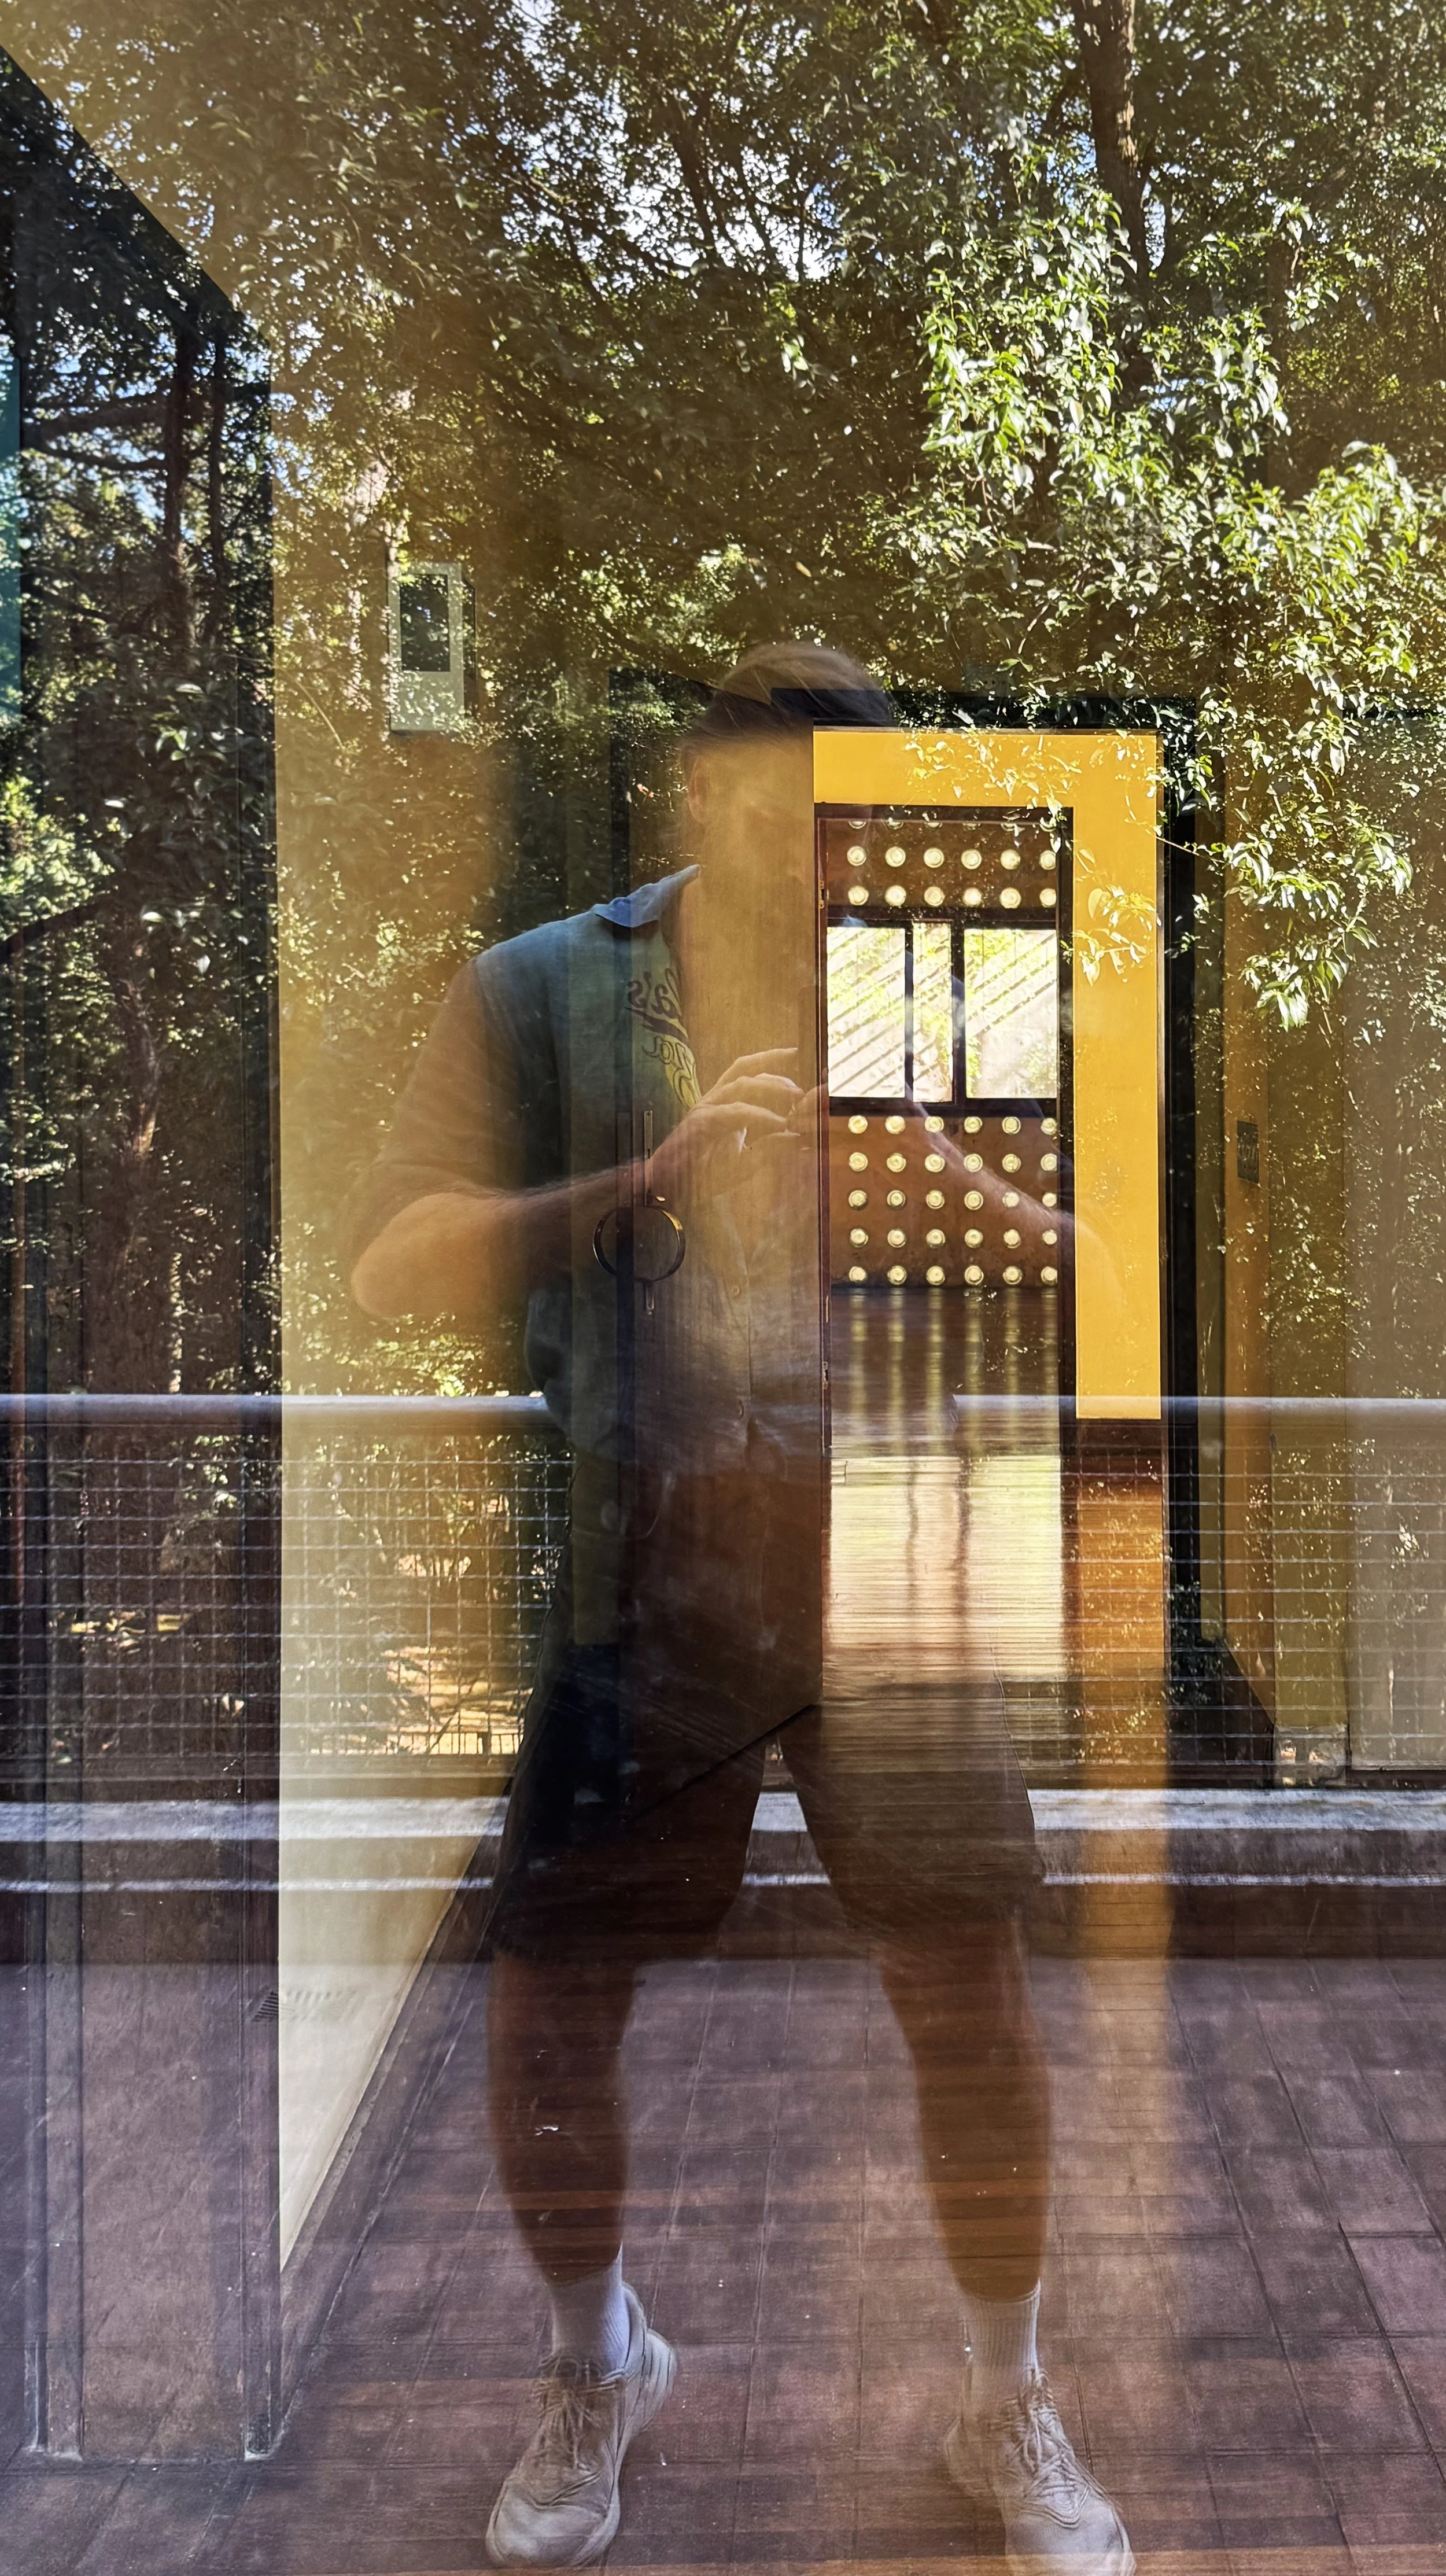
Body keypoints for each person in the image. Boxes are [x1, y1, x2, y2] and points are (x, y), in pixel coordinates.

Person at [350, 643, 1133, 2576]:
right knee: (552, 2001)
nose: (822, 856)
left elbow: (1093, 1279)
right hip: (651, 1557)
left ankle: (1001, 2398)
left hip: (904, 1547)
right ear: (699, 800)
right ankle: (593, 2363)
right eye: (777, 812)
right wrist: (645, 1173)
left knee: (967, 1997)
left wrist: (940, 1173)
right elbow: (391, 1266)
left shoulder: (954, 986)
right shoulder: (545, 984)